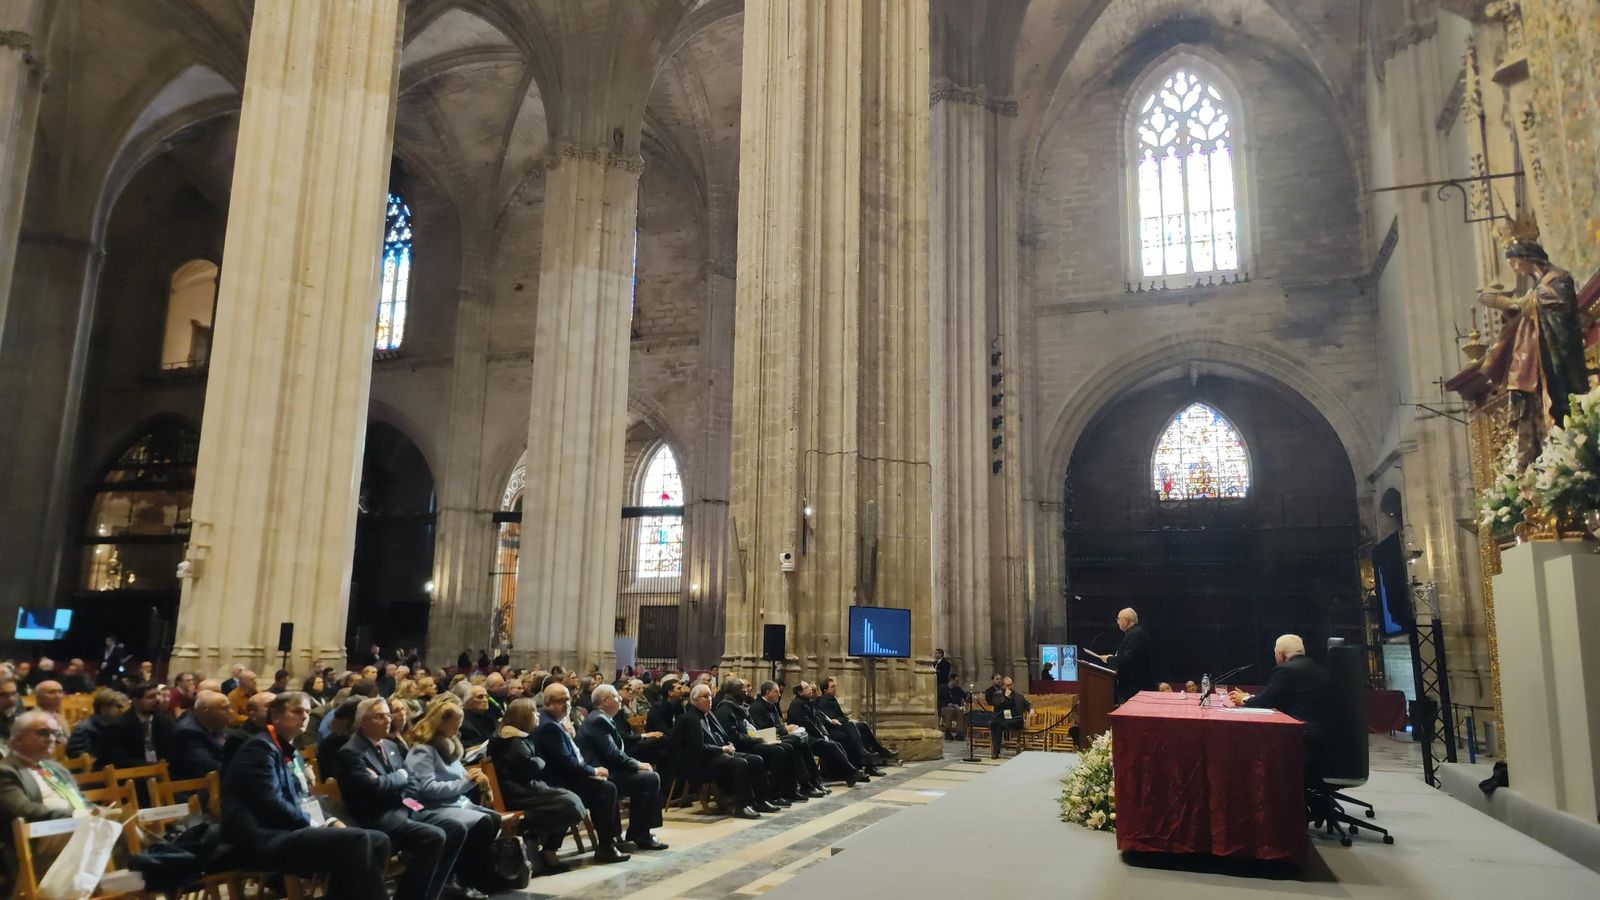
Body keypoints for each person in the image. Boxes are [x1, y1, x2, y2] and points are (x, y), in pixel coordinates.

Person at [221, 691, 392, 900]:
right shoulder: (260, 748)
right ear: (275, 716)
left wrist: (329, 821)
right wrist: (314, 824)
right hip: (262, 835)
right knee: (355, 840)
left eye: (308, 712)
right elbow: (270, 803)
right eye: (297, 711)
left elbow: (304, 799)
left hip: (287, 827)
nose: (305, 717)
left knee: (378, 840)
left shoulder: (288, 749)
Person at [336, 698, 467, 900]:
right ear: (362, 722)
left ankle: (431, 894)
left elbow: (413, 780)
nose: (388, 720)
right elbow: (370, 789)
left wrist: (394, 781)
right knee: (433, 836)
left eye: (388, 715)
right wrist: (399, 778)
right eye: (380, 716)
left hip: (406, 807)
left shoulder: (390, 745)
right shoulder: (351, 752)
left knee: (456, 828)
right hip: (379, 816)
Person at [403, 702, 500, 899]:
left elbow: (459, 775)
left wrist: (472, 777)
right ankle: (459, 878)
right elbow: (427, 789)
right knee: (483, 824)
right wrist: (466, 782)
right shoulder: (423, 750)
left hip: (454, 803)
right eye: (456, 723)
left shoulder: (448, 744)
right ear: (442, 722)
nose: (459, 728)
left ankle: (475, 876)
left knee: (494, 819)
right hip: (431, 807)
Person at [0, 711, 106, 887]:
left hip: (77, 825)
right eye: (42, 732)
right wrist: (75, 815)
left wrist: (96, 811)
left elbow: (82, 801)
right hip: (33, 840)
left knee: (121, 822)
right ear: (17, 738)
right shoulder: (6, 771)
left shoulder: (56, 768)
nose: (51, 738)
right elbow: (23, 811)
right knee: (97, 832)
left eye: (54, 733)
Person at [532, 683, 631, 862]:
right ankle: (606, 847)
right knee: (606, 790)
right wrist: (592, 770)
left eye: (569, 700)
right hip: (558, 781)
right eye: (562, 701)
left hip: (565, 776)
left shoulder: (553, 721)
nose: (568, 704)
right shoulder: (549, 727)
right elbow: (566, 762)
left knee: (605, 787)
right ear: (548, 703)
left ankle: (609, 843)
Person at [487, 698, 586, 876]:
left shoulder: (519, 737)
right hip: (518, 791)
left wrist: (538, 761)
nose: (538, 714)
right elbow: (531, 767)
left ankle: (542, 841)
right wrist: (540, 761)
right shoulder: (512, 741)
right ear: (524, 716)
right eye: (534, 712)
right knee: (569, 804)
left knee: (573, 800)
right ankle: (531, 829)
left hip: (526, 786)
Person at [576, 684, 669, 850]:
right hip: (598, 775)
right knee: (650, 778)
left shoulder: (602, 718)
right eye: (616, 696)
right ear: (605, 701)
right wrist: (637, 764)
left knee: (648, 777)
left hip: (608, 770)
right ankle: (641, 833)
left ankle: (640, 832)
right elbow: (612, 754)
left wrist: (635, 765)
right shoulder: (598, 720)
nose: (620, 699)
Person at [1228, 634, 1331, 777]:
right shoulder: (1316, 667)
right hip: (1322, 736)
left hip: (1302, 739)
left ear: (1281, 655)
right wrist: (1248, 697)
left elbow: (1264, 702)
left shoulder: (1286, 669)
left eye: (1275, 654)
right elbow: (1277, 698)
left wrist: (1244, 699)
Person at [671, 683, 774, 819]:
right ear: (695, 700)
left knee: (756, 760)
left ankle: (760, 801)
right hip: (701, 762)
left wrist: (728, 744)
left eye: (710, 695)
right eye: (704, 696)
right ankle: (742, 806)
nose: (709, 699)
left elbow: (723, 734)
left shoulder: (709, 714)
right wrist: (721, 749)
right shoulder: (690, 719)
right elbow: (697, 748)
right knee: (740, 763)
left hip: (719, 754)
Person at [712, 678, 818, 804]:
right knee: (778, 751)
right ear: (731, 691)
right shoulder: (725, 710)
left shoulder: (740, 707)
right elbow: (734, 737)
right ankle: (774, 794)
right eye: (742, 688)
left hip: (753, 740)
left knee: (788, 747)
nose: (746, 690)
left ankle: (790, 791)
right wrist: (756, 739)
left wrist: (759, 737)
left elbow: (751, 727)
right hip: (744, 746)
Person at [748, 680, 832, 792]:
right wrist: (785, 729)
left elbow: (778, 724)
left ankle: (814, 780)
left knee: (802, 742)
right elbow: (765, 730)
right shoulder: (757, 708)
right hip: (767, 740)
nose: (779, 694)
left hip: (777, 736)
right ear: (767, 692)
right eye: (776, 692)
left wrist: (787, 727)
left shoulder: (771, 705)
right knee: (795, 744)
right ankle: (805, 784)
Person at [785, 682, 866, 784]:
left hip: (816, 735)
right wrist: (821, 735)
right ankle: (851, 772)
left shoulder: (809, 702)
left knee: (837, 744)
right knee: (830, 745)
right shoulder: (796, 705)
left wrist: (825, 734)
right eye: (807, 688)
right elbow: (808, 724)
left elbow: (818, 720)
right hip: (806, 737)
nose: (810, 689)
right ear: (800, 692)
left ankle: (847, 774)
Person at [816, 676, 896, 769]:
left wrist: (847, 719)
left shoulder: (832, 699)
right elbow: (830, 718)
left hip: (841, 724)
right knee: (851, 725)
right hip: (834, 728)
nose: (835, 689)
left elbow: (840, 715)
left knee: (863, 726)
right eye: (832, 687)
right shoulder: (824, 701)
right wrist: (847, 720)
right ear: (825, 690)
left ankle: (876, 755)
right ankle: (863, 752)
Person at [97, 681, 177, 770]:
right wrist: (149, 766)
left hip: (159, 772)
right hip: (130, 776)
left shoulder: (166, 722)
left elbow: (172, 751)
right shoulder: (118, 726)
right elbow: (116, 761)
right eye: (151, 697)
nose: (158, 699)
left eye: (158, 695)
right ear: (135, 702)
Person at [1088, 608, 1152, 703]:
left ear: (1126, 620)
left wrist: (1109, 659)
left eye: (1118, 619)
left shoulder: (1135, 635)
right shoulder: (1133, 633)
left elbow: (1127, 661)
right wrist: (1113, 658)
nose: (1117, 622)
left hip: (1133, 688)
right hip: (1132, 686)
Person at [169, 689, 230, 779]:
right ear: (207, 711)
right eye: (225, 709)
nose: (231, 712)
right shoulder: (188, 732)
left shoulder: (216, 725)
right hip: (193, 787)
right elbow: (205, 766)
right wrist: (235, 771)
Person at [66, 690, 127, 759]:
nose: (122, 711)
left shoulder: (116, 726)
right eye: (118, 707)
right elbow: (78, 758)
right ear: (104, 708)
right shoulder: (84, 729)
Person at [222, 691, 275, 765]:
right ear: (253, 715)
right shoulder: (239, 738)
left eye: (277, 706)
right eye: (269, 706)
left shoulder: (277, 732)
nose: (276, 710)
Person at [988, 677, 1030, 759]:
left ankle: (995, 751)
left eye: (1010, 685)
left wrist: (1031, 709)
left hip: (1015, 719)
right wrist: (1005, 697)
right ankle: (995, 752)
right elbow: (997, 705)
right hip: (1003, 719)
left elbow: (1027, 704)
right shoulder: (998, 694)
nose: (1009, 687)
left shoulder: (1018, 695)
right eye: (1007, 685)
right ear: (1003, 686)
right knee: (996, 724)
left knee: (997, 723)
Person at [937, 674, 968, 740]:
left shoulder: (957, 689)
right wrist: (947, 704)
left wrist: (969, 696)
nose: (958, 683)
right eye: (956, 681)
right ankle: (948, 731)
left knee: (960, 710)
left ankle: (960, 733)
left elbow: (966, 696)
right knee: (949, 710)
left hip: (955, 708)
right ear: (951, 680)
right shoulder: (942, 688)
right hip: (944, 707)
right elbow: (937, 701)